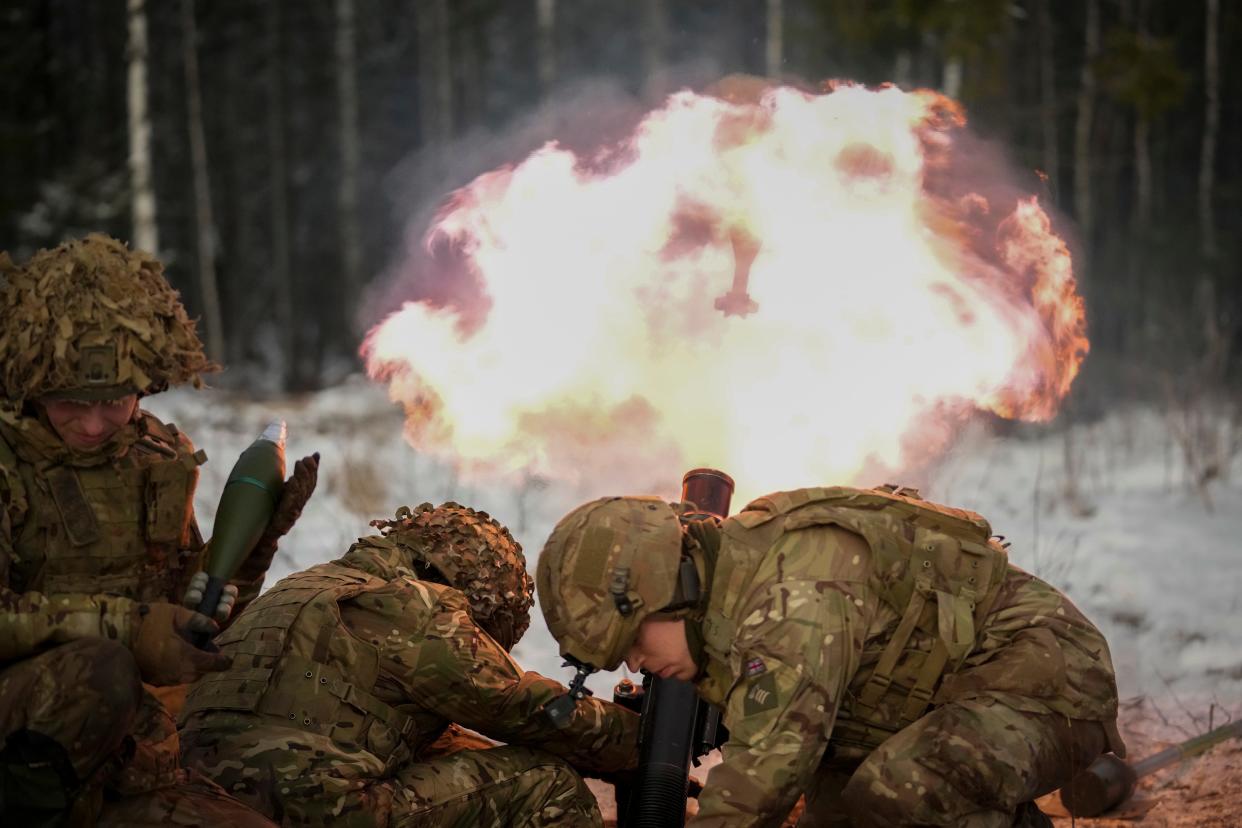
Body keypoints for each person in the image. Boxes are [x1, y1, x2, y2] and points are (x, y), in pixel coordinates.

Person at [536, 484, 1127, 827]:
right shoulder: (730, 602)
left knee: (899, 789)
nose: (636, 664)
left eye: (633, 640)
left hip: (1047, 687)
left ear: (672, 589)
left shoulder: (794, 590)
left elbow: (763, 777)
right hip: (933, 708)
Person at [0, 234, 313, 825]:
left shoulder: (158, 458)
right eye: (69, 401)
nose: (93, 424)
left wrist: (249, 550)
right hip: (20, 738)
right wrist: (127, 629)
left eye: (115, 400)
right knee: (101, 666)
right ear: (30, 379)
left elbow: (185, 610)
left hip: (125, 755)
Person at [180, 501, 640, 827]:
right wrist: (642, 743)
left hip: (199, 798)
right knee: (547, 785)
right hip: (311, 807)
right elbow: (519, 705)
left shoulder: (302, 587)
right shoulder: (414, 604)